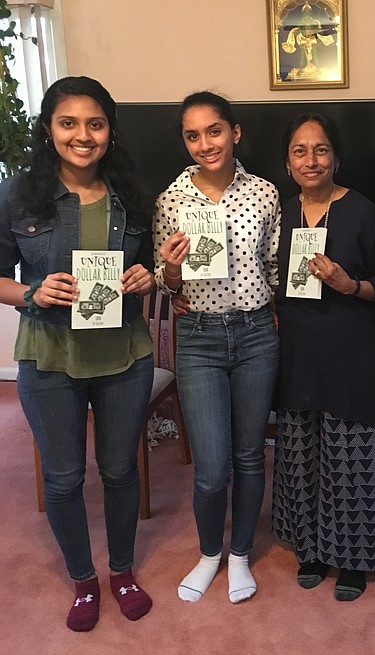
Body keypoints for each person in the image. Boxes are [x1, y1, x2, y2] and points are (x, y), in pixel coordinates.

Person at [0, 76, 155, 631]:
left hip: (124, 356)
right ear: (49, 129)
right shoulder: (19, 193)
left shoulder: (133, 194)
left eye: (95, 123)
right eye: (69, 123)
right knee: (64, 479)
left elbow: (161, 269)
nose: (83, 136)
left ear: (110, 132)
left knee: (119, 472)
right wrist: (31, 292)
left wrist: (151, 275)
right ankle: (84, 580)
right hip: (49, 355)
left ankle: (121, 570)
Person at [153, 91, 280, 604]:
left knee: (250, 455)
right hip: (199, 336)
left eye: (214, 131)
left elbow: (273, 266)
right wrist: (174, 271)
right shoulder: (171, 200)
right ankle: (210, 553)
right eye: (192, 135)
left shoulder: (265, 194)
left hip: (255, 333)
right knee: (211, 467)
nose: (205, 143)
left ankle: (241, 554)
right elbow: (165, 284)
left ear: (235, 133)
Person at [272, 113, 375, 601]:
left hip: (354, 350)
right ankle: (309, 547)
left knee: (353, 453)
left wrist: (351, 285)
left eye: (321, 149)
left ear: (337, 157)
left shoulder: (364, 212)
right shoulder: (279, 214)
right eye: (300, 151)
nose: (312, 160)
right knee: (302, 452)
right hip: (298, 351)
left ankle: (355, 557)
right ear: (287, 161)